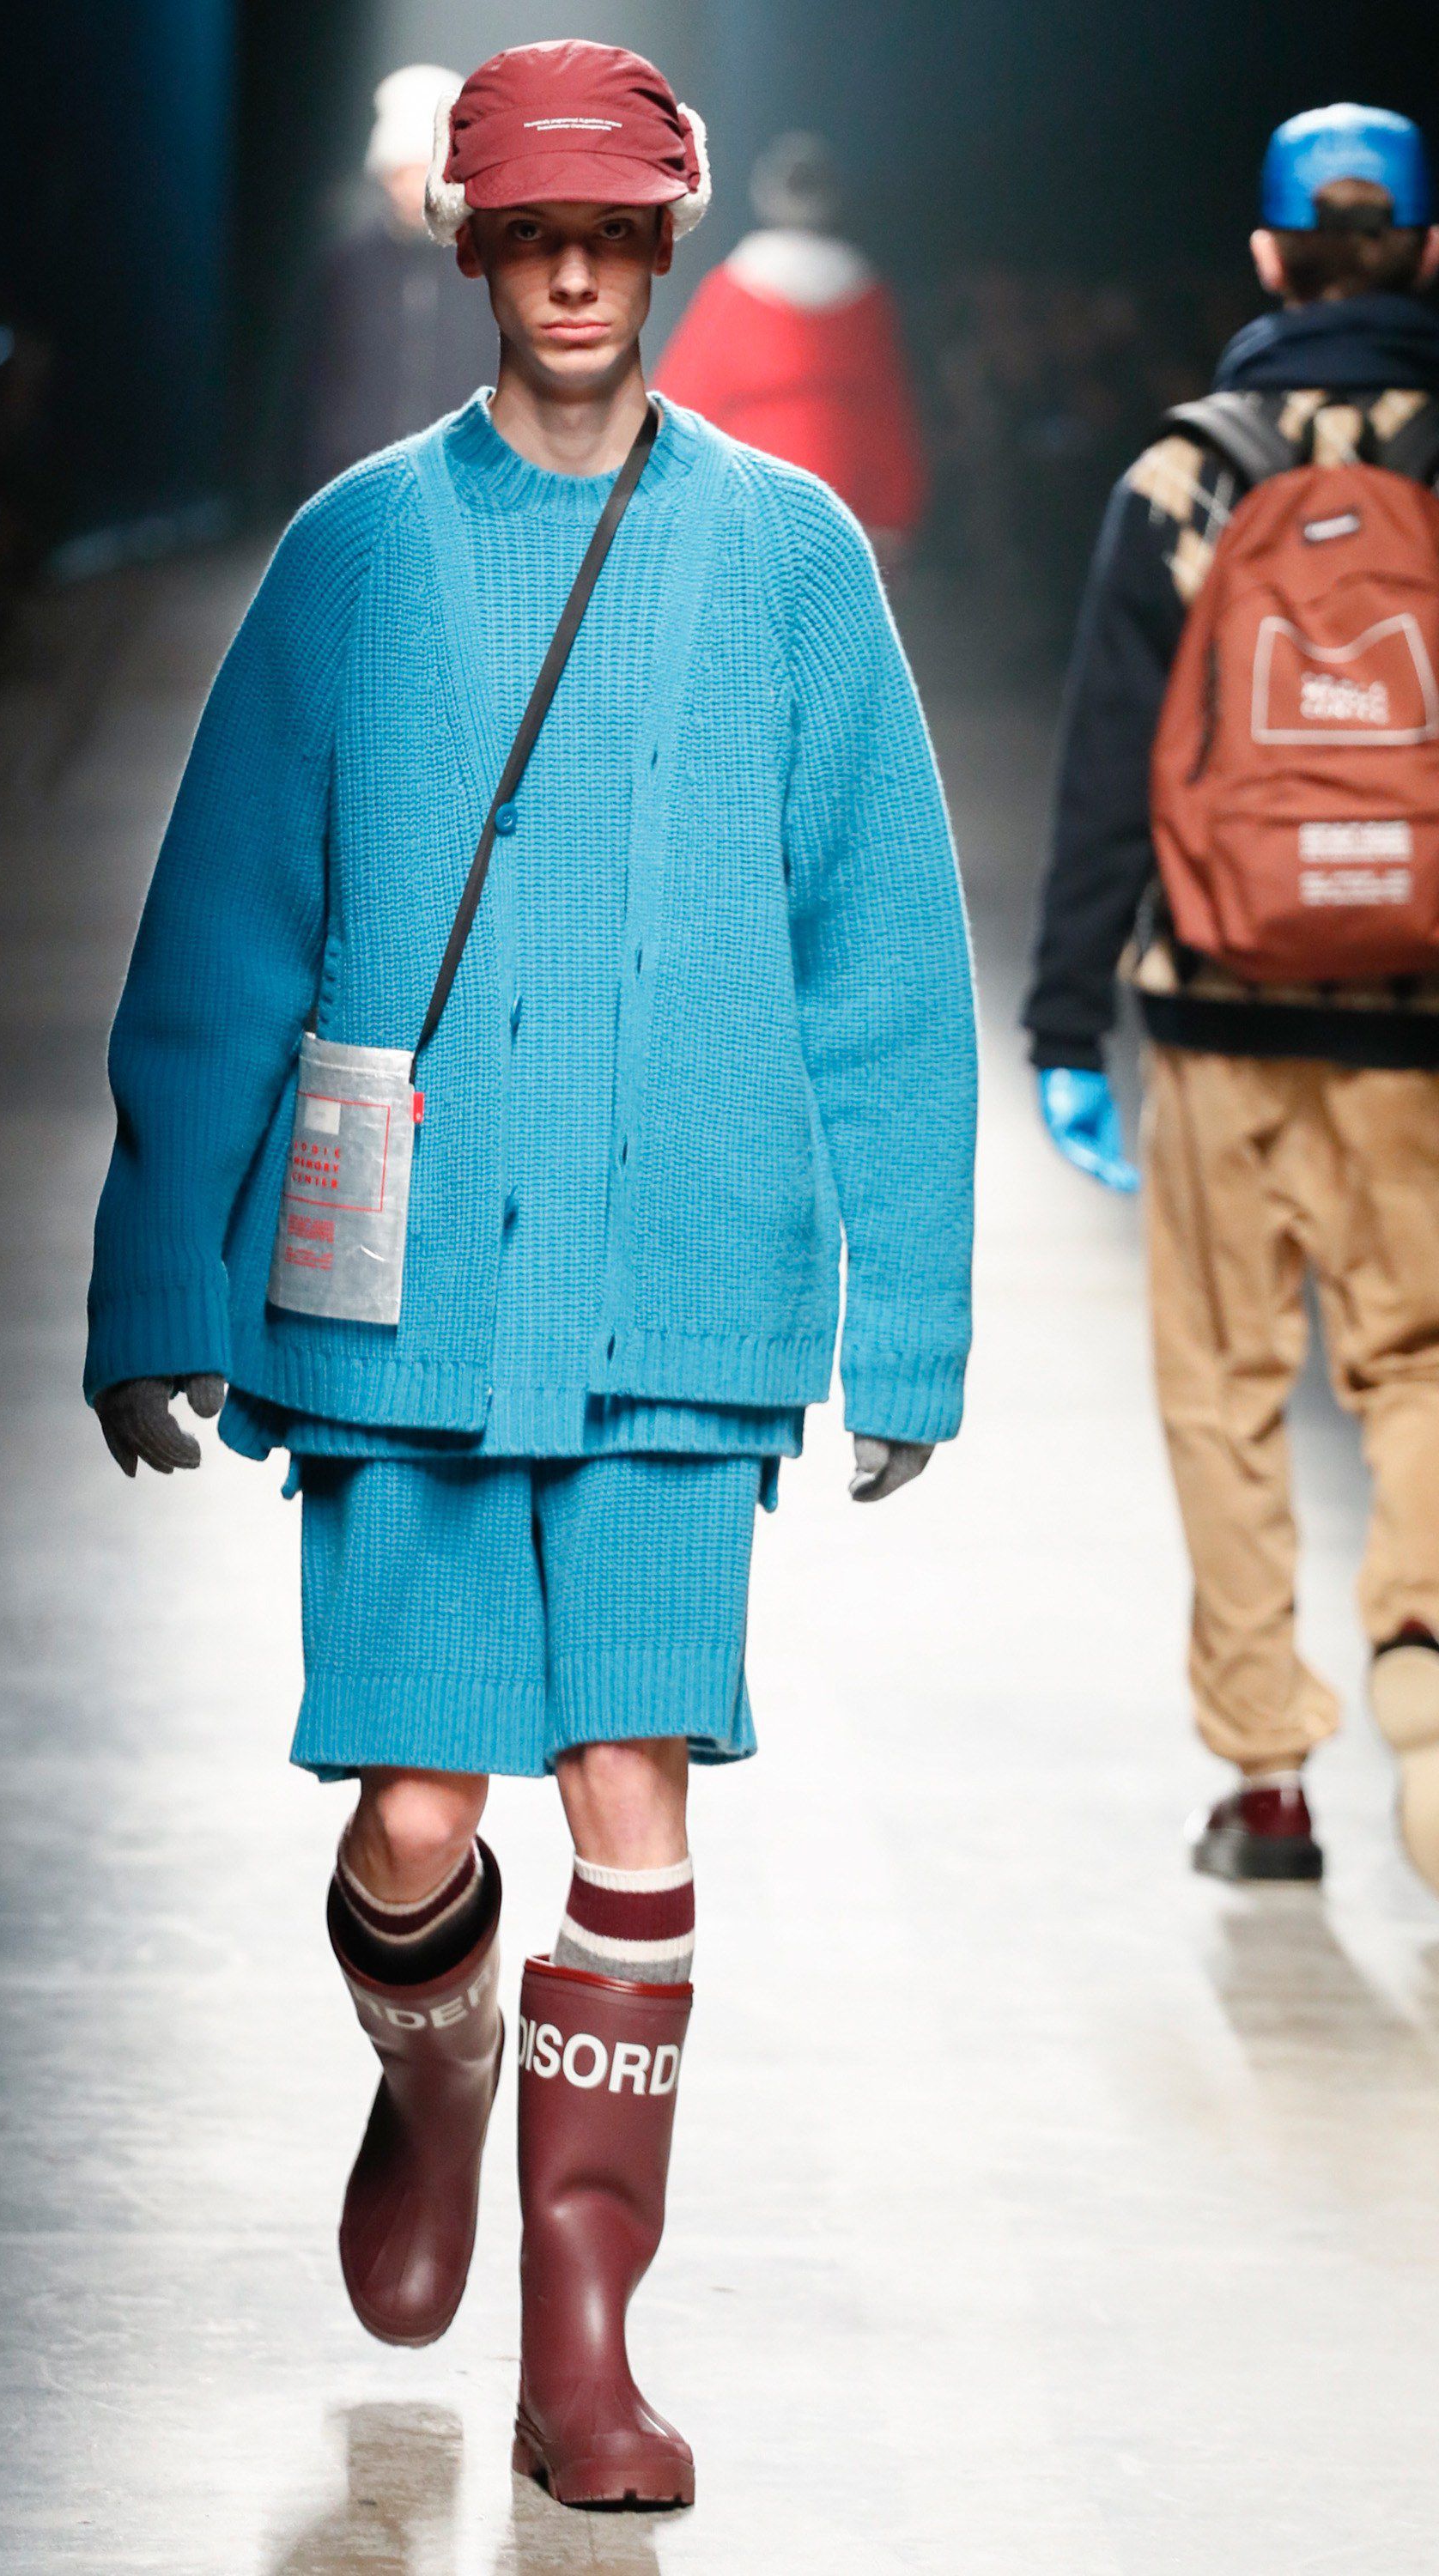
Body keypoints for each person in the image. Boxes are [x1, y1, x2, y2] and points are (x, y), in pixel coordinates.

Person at [87, 38, 975, 2507]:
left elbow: (884, 953)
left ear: (661, 246)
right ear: (471, 247)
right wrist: (159, 1278)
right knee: (408, 1820)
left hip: (683, 1290)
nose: (573, 273)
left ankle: (586, 2339)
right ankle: (434, 2069)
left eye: (610, 233)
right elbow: (222, 928)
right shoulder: (356, 552)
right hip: (408, 1306)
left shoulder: (790, 558)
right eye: (532, 233)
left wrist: (907, 1319)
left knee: (633, 1794)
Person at [1023, 105, 1439, 1891]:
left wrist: (1064, 1024)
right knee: (1422, 1363)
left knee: (1225, 1382)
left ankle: (1268, 1781)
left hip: (1211, 1002)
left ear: (1267, 257)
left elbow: (1110, 769)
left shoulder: (1182, 477)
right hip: (1422, 1017)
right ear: (1429, 253)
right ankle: (1426, 1675)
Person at [654, 131, 926, 562]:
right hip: (842, 511)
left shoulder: (732, 289)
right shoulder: (867, 296)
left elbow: (683, 405)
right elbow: (888, 415)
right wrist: (894, 516)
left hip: (749, 513)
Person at [296, 63, 501, 496]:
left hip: (468, 478)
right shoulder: (350, 262)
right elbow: (317, 377)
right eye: (401, 170)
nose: (412, 185)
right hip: (363, 479)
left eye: (424, 167)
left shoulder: (491, 262)